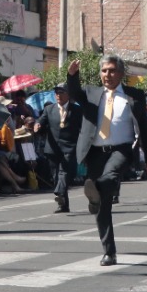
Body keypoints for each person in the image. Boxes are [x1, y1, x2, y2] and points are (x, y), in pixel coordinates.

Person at [64, 54, 147, 265]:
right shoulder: (91, 93)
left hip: (122, 149)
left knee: (111, 175)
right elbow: (74, 92)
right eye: (104, 71)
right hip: (96, 152)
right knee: (103, 206)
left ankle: (96, 190)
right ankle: (109, 251)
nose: (108, 74)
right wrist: (72, 75)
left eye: (112, 70)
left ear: (121, 74)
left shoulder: (134, 96)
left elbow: (144, 127)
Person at [40, 82, 82, 213]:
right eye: (56, 93)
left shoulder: (77, 110)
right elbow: (41, 121)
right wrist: (37, 125)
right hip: (52, 148)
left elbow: (83, 128)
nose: (58, 95)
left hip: (69, 147)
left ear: (68, 94)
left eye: (61, 92)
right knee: (56, 175)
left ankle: (59, 192)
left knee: (65, 172)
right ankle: (63, 205)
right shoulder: (49, 109)